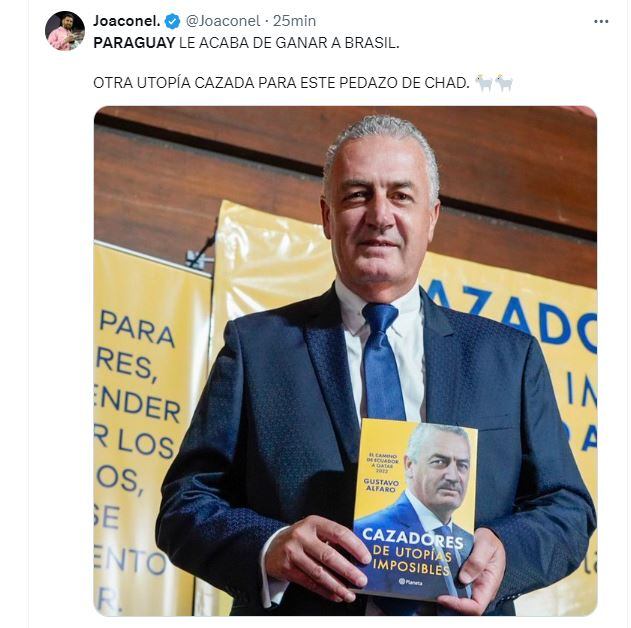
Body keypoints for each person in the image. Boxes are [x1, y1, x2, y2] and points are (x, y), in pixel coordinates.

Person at [156, 114, 596, 616]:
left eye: (401, 196)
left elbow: (567, 509)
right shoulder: (256, 348)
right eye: (357, 194)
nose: (380, 215)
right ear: (327, 217)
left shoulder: (509, 358)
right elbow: (185, 505)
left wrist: (507, 551)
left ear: (432, 217)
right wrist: (270, 546)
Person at [354, 424, 474, 603]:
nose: (453, 476)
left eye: (462, 465)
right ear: (409, 466)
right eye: (439, 462)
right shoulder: (365, 534)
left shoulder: (468, 542)